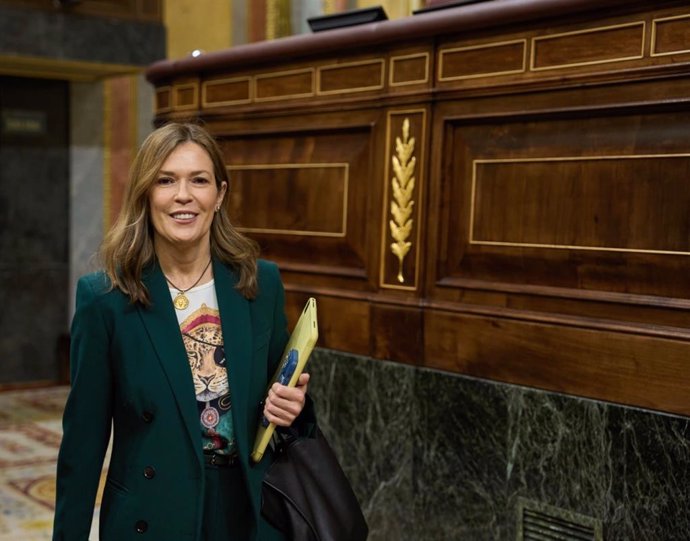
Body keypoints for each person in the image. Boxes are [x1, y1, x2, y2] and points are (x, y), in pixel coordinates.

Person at [52, 122, 315, 541]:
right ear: (146, 194)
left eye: (199, 180)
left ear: (220, 194)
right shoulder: (106, 298)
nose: (183, 196)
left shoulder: (259, 284)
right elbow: (83, 445)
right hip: (152, 514)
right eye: (166, 180)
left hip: (248, 511)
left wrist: (292, 407)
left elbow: (285, 405)